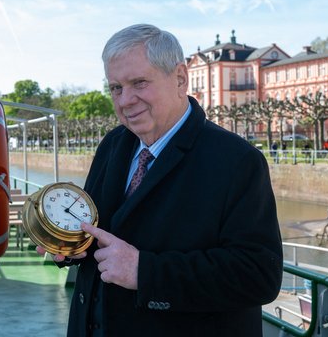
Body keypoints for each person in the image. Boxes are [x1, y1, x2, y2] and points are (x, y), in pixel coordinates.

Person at [38, 24, 283, 337]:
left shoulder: (237, 160)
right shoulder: (114, 143)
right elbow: (98, 228)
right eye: (116, 88)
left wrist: (145, 273)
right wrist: (71, 243)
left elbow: (259, 275)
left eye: (139, 83)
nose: (125, 100)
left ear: (180, 79)